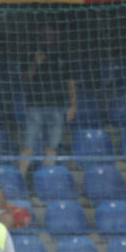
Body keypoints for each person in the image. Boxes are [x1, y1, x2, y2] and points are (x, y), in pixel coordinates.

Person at [19, 23, 76, 175]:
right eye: (45, 33)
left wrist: (73, 105)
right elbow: (25, 79)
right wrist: (35, 63)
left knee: (52, 145)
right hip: (35, 105)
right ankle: (20, 179)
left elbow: (70, 81)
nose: (48, 36)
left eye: (50, 33)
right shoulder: (31, 52)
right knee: (28, 144)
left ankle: (46, 177)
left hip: (57, 105)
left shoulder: (62, 54)